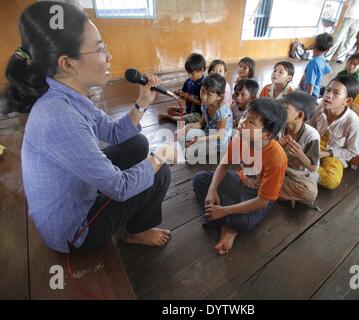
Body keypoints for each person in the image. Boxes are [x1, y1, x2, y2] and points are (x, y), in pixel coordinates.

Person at [6, 1, 177, 253]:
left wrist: (141, 103)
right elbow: (120, 188)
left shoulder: (67, 94)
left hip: (75, 190)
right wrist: (161, 155)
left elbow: (113, 132)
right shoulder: (59, 117)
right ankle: (135, 232)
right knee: (159, 173)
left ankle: (125, 213)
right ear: (67, 63)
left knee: (137, 143)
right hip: (73, 231)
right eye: (100, 49)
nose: (109, 56)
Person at [192, 98, 288, 255]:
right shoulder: (239, 137)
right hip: (240, 181)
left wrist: (223, 211)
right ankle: (226, 224)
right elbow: (224, 165)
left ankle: (221, 221)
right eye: (244, 116)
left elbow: (263, 201)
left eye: (251, 122)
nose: (242, 122)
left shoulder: (276, 158)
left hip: (258, 196)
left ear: (267, 134)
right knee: (200, 179)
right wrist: (212, 189)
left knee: (243, 222)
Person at [310, 76, 359, 190]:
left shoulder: (353, 122)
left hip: (333, 153)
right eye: (328, 90)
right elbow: (310, 129)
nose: (328, 95)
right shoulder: (319, 108)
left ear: (347, 100)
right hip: (313, 145)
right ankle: (305, 170)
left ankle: (300, 170)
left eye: (336, 93)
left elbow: (353, 151)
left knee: (331, 180)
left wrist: (326, 153)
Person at [277, 92, 320, 207]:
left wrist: (300, 154)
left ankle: (271, 189)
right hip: (280, 169)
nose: (280, 110)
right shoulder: (279, 128)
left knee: (310, 193)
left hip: (299, 175)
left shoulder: (311, 135)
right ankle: (282, 193)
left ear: (299, 115)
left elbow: (312, 167)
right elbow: (271, 157)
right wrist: (279, 147)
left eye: (285, 108)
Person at [182, 73, 233, 163]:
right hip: (207, 133)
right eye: (202, 91)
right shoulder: (205, 104)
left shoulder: (222, 111)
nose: (203, 97)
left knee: (187, 153)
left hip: (217, 143)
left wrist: (199, 140)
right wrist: (189, 126)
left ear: (219, 96)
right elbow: (202, 123)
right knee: (183, 133)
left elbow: (220, 135)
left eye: (209, 94)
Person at [158, 53, 206, 124]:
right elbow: (184, 94)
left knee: (185, 118)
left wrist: (189, 98)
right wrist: (179, 94)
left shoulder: (205, 85)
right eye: (188, 73)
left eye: (192, 73)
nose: (189, 76)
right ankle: (185, 118)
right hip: (188, 109)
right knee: (169, 110)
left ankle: (170, 118)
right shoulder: (188, 81)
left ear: (202, 70)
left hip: (198, 114)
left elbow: (204, 105)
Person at [299, 32, 334, 97]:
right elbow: (329, 71)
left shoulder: (313, 63)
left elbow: (311, 83)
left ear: (314, 45)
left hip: (308, 93)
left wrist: (308, 98)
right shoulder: (322, 59)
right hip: (316, 91)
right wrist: (318, 78)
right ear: (328, 50)